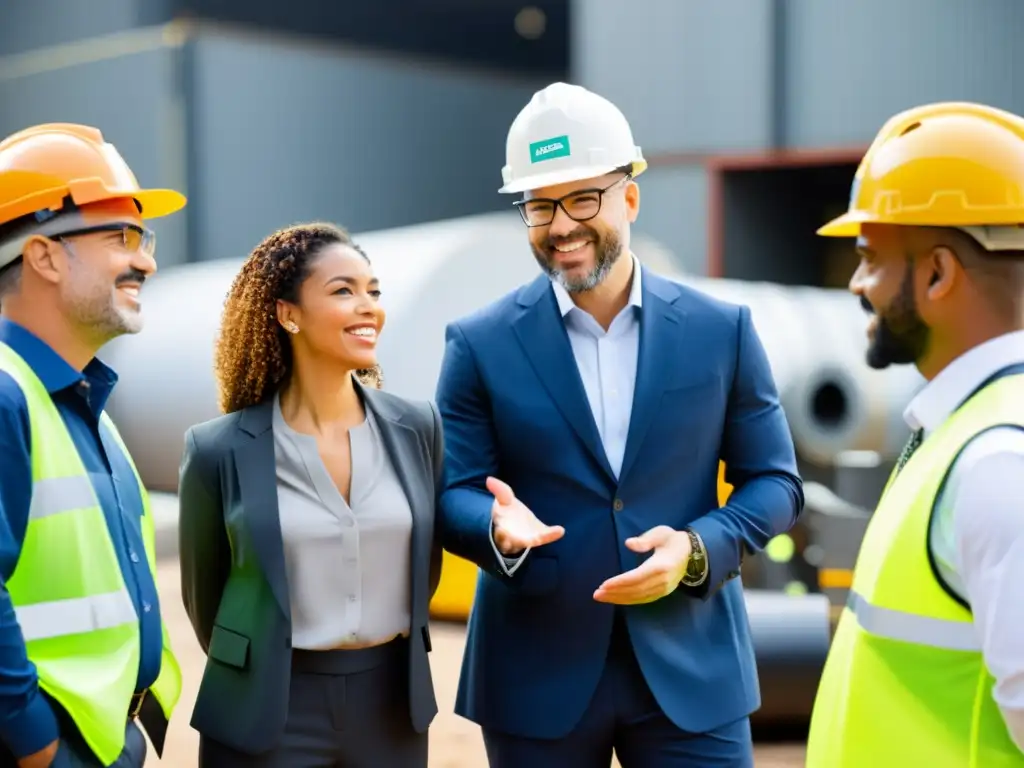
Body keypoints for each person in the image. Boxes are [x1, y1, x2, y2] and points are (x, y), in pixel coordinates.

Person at [434, 82, 804, 768]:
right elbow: (451, 492)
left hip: (692, 668)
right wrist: (493, 528)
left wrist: (699, 548)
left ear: (629, 197)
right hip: (534, 672)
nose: (562, 224)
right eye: (540, 205)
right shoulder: (478, 344)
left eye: (582, 198)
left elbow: (775, 482)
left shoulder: (721, 332)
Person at [806, 102, 1024, 766]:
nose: (855, 282)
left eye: (869, 257)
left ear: (937, 273)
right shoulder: (960, 434)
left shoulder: (998, 463)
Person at [178, 222, 443, 767]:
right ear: (288, 314)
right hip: (267, 708)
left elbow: (426, 563)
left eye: (373, 290)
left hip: (390, 705)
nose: (368, 305)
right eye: (343, 290)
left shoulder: (418, 428)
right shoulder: (217, 449)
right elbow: (206, 597)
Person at [0, 124, 184, 767]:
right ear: (45, 255)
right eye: (121, 238)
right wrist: (37, 744)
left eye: (144, 238)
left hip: (105, 740)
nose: (147, 261)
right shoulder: (5, 396)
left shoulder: (83, 405)